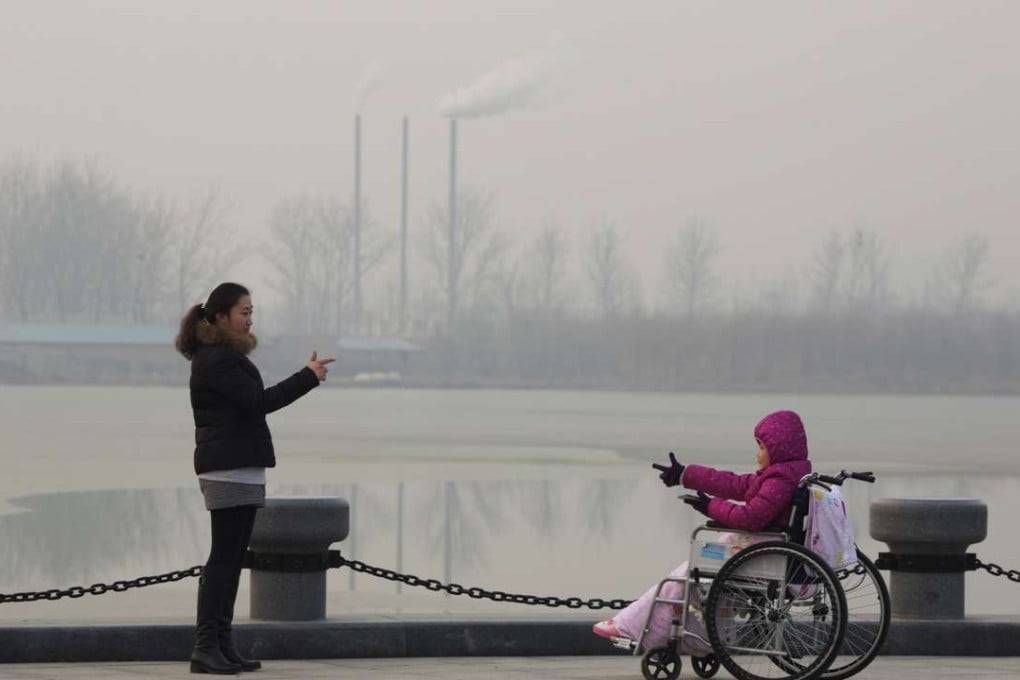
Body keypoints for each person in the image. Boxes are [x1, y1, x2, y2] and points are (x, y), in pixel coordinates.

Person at [175, 282, 334, 674]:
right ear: (219, 317)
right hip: (227, 468)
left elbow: (251, 405)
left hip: (239, 466)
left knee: (231, 559)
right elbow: (259, 403)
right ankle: (206, 645)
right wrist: (307, 377)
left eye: (251, 312)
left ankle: (222, 645)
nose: (249, 319)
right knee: (223, 559)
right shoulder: (217, 360)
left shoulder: (223, 357)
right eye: (243, 311)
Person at [592, 409, 812, 649]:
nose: (757, 455)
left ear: (779, 448)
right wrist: (685, 475)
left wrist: (710, 507)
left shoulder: (780, 479)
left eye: (761, 447)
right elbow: (735, 483)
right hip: (766, 550)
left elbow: (750, 518)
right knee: (698, 577)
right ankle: (701, 640)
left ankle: (631, 626)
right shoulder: (787, 475)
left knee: (685, 574)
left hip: (762, 554)